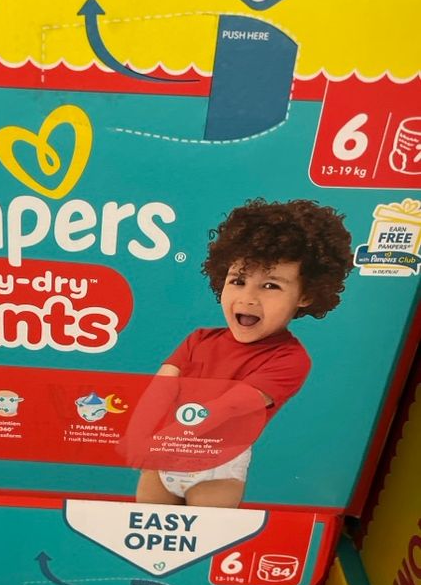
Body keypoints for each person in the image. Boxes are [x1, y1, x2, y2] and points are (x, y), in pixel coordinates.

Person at [131, 198, 353, 508]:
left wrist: (169, 437)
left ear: (305, 295)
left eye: (270, 286)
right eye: (238, 281)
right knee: (143, 524)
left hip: (216, 468)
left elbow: (232, 406)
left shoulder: (289, 359)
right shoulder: (199, 339)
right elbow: (161, 388)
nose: (248, 298)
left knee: (205, 532)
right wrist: (137, 435)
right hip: (163, 458)